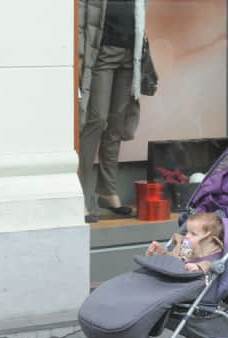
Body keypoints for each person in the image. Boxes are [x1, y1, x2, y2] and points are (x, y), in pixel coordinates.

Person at [78, 0, 148, 223]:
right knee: (96, 120)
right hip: (102, 53)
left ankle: (107, 191)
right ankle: (80, 192)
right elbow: (81, 21)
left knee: (116, 125)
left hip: (130, 55)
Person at [145, 213, 224, 273]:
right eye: (187, 232)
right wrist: (160, 252)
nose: (187, 236)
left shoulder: (212, 249)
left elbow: (212, 263)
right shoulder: (185, 245)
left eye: (193, 234)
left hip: (191, 283)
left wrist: (199, 266)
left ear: (208, 238)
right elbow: (173, 259)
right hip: (173, 274)